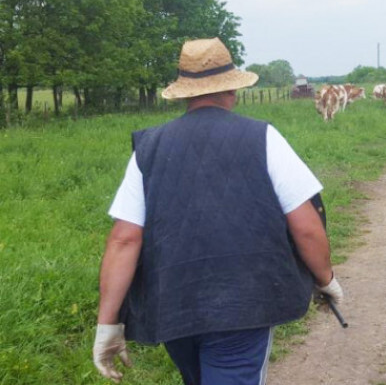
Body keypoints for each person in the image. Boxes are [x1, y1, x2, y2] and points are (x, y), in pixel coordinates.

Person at [93, 38, 344, 384]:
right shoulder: (264, 138)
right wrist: (325, 279)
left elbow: (124, 239)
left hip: (175, 309)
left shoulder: (148, 148)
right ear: (233, 89)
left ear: (184, 93)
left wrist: (107, 325)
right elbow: (305, 226)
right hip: (244, 307)